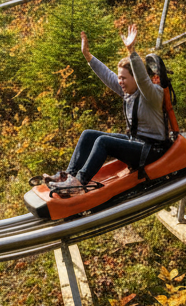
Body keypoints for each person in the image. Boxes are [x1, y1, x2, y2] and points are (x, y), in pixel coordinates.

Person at [47, 25, 170, 193]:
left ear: (136, 79)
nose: (120, 82)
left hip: (152, 150)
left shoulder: (152, 93)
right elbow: (107, 75)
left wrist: (131, 51)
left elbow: (143, 78)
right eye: (119, 78)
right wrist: (87, 56)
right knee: (89, 134)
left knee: (103, 142)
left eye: (124, 78)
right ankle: (69, 176)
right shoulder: (128, 91)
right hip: (136, 143)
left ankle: (79, 183)